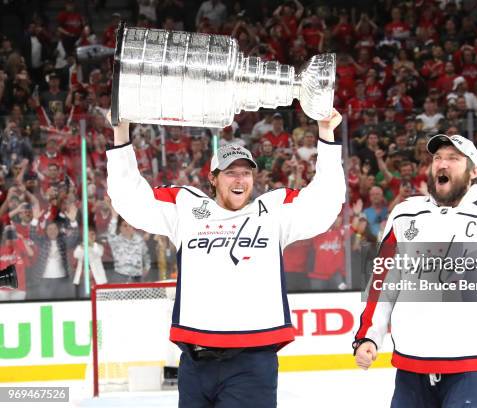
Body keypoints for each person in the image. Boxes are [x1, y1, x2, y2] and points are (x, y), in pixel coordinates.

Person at [106, 109, 345, 407]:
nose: (240, 179)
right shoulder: (188, 208)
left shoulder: (273, 212)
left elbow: (326, 202)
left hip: (252, 363)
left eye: (246, 172)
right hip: (195, 362)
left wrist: (326, 133)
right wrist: (120, 134)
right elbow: (130, 199)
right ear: (213, 178)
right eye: (231, 171)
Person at [353, 134, 477, 407]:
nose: (443, 164)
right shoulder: (405, 214)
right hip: (411, 367)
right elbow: (383, 281)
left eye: (454, 159)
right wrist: (368, 336)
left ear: (474, 171)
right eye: (437, 158)